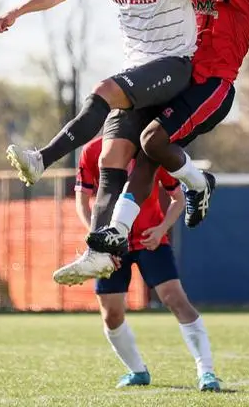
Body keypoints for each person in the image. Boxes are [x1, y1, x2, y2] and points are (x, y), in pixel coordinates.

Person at [0, 0, 228, 281]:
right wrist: (17, 12)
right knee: (110, 160)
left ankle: (42, 159)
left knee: (103, 90)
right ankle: (97, 251)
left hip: (172, 67)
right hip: (137, 73)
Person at [85, 0, 249, 257]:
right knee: (146, 155)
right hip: (179, 81)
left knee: (153, 140)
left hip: (213, 88)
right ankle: (119, 231)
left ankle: (198, 182)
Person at [73, 136, 221, 392]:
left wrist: (161, 228)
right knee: (111, 314)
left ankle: (206, 372)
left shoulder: (152, 149)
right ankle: (137, 371)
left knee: (175, 299)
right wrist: (100, 239)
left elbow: (178, 198)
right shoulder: (92, 151)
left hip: (148, 241)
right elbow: (82, 200)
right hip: (111, 247)